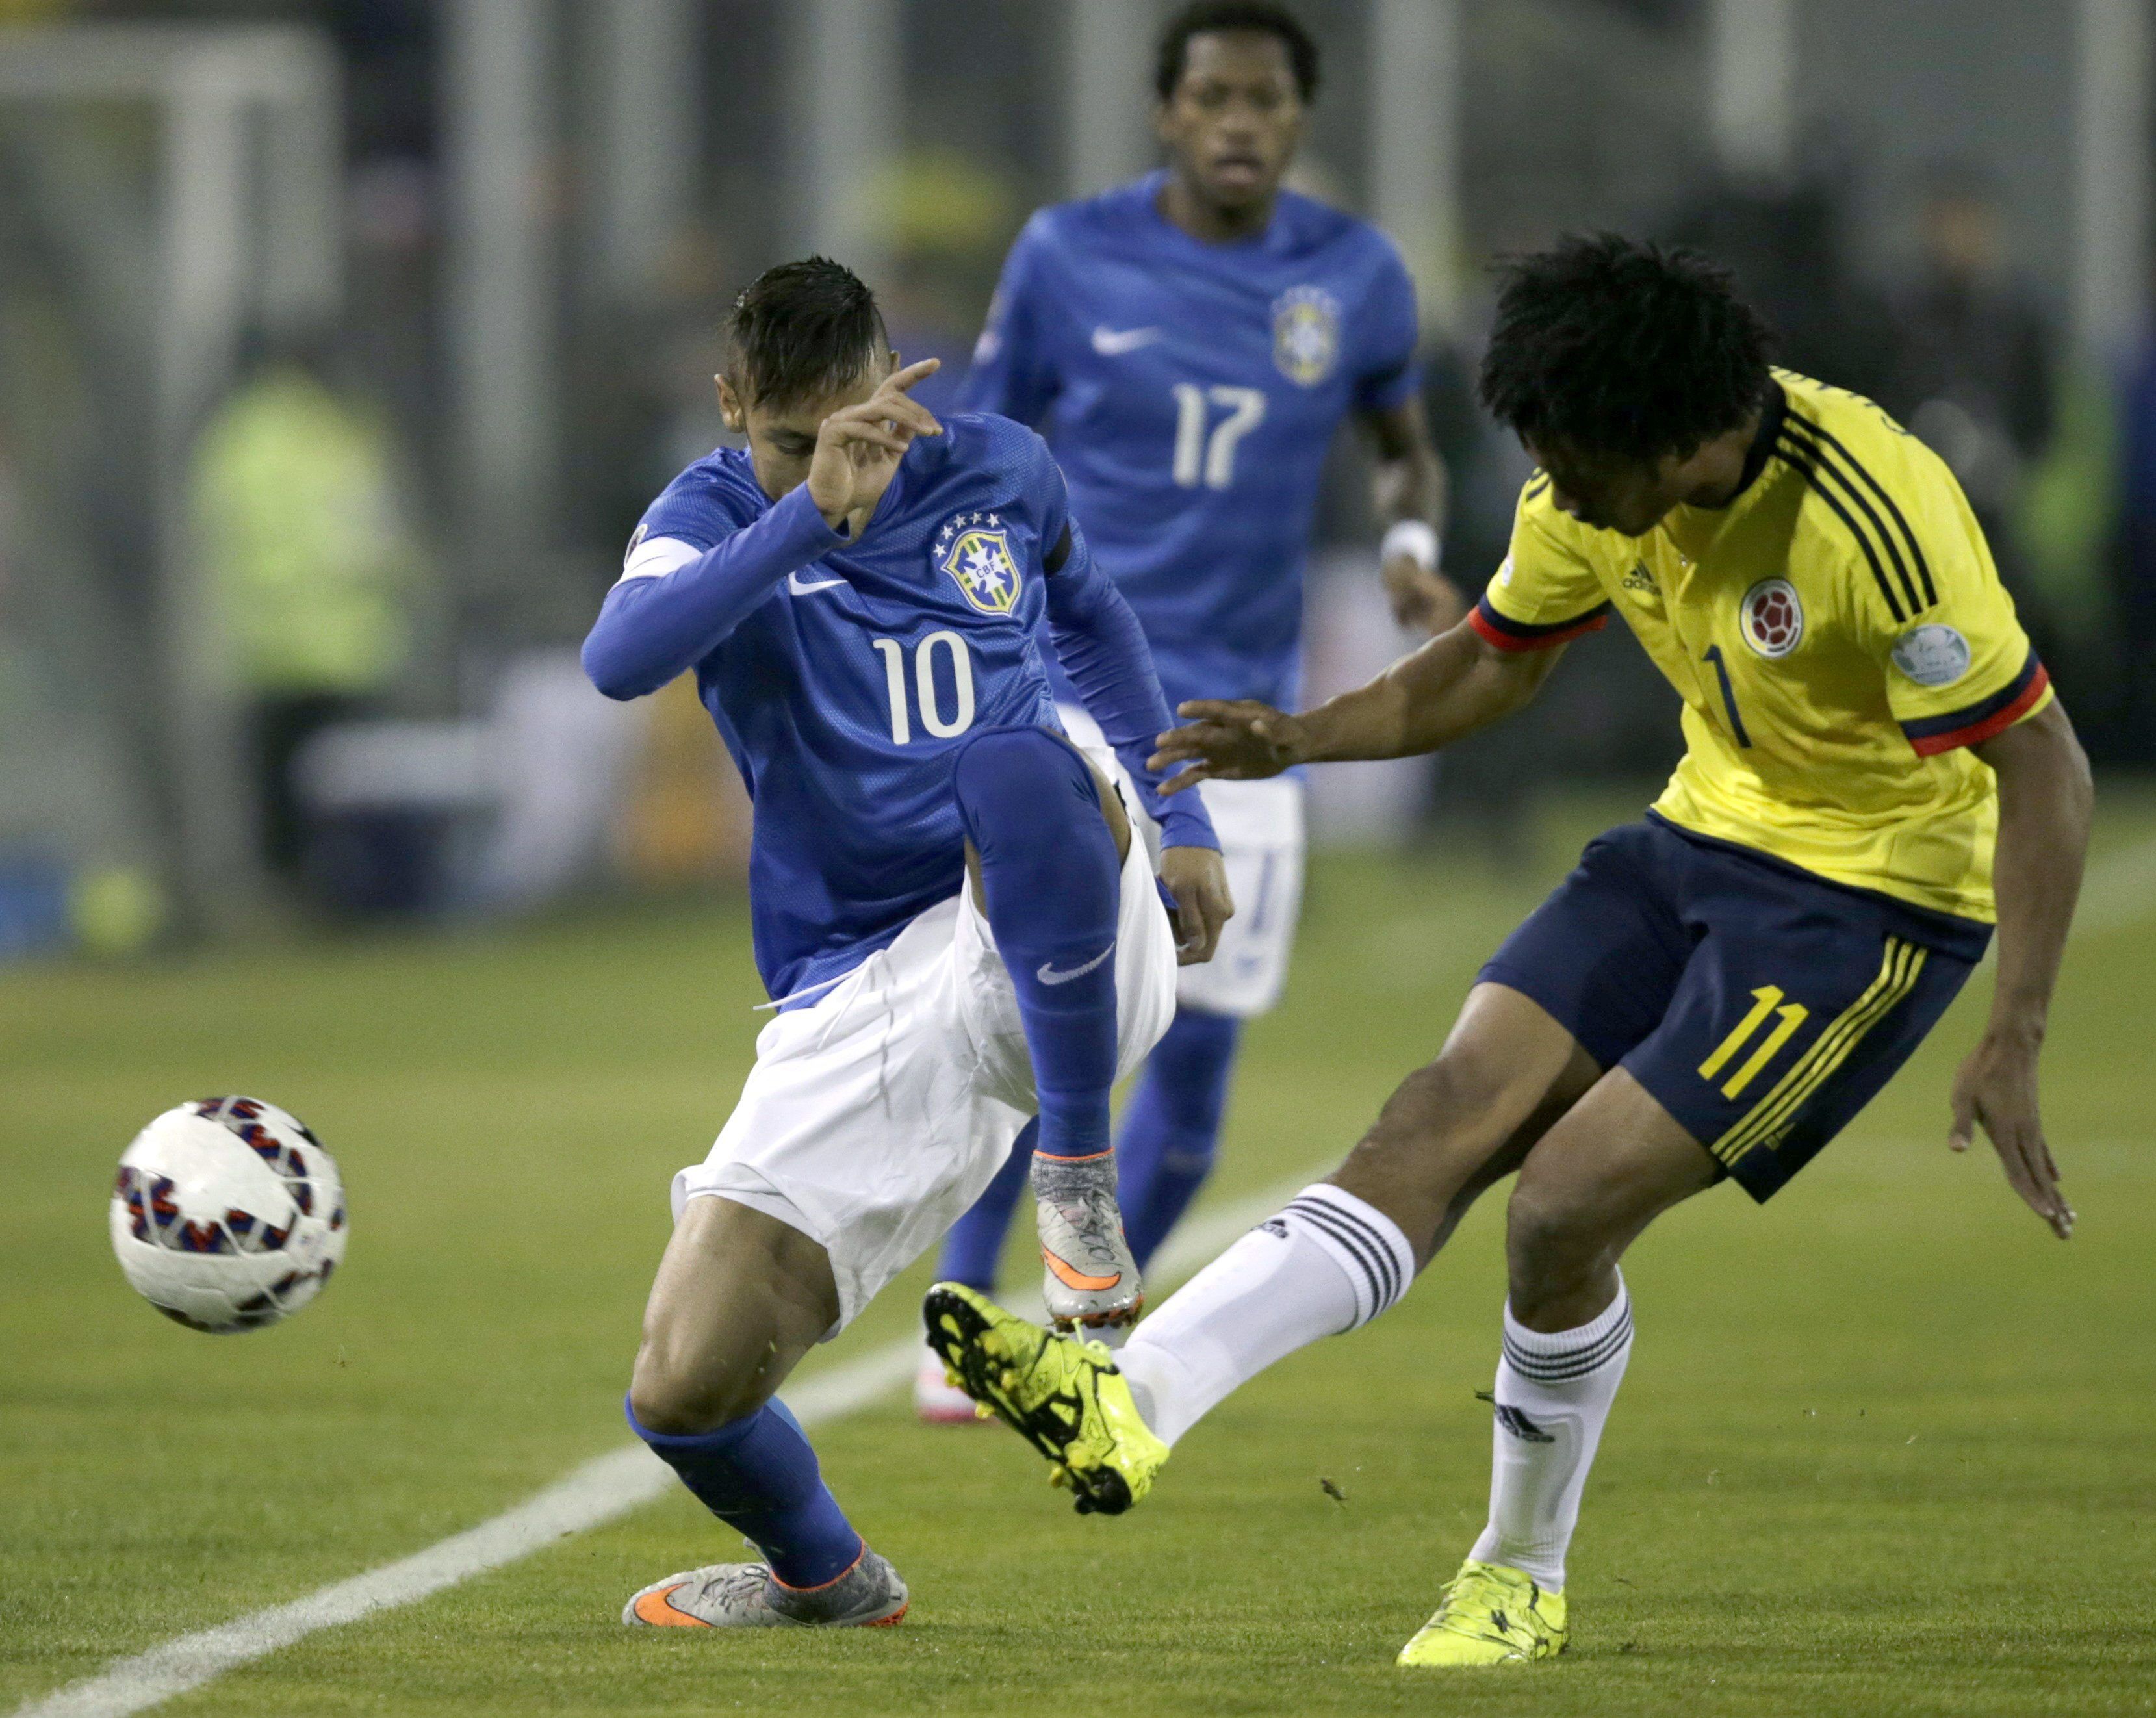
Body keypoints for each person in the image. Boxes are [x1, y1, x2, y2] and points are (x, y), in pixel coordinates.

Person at [924, 235, 2092, 1666]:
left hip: (1866, 902)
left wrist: (2015, 1030)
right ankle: (1135, 1395)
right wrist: (1303, 734)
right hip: (1697, 832)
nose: (1548, 480)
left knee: (1560, 1210)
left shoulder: (1875, 516)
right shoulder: (1598, 471)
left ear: (1674, 438)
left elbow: (2041, 763)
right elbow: (1494, 654)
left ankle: (1516, 1571)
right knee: (1435, 1114)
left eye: (1568, 453)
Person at [582, 259, 1229, 1628]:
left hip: (1058, 891)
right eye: (789, 443)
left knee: (1010, 760)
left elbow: (1092, 614)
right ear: (730, 407)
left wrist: (1180, 817)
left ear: (899, 381)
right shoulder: (707, 513)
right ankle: (829, 1577)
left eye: (857, 430)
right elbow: (621, 657)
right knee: (683, 1385)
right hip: (864, 978)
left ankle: (1074, 1181)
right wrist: (806, 519)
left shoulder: (1000, 469)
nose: (839, 465)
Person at [918, 0, 1459, 1420]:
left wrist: (1407, 551)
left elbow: (1406, 450)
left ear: (1298, 118)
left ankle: (1084, 1334)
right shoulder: (1066, 255)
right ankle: (958, 1316)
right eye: (1211, 96)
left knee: (1197, 1075)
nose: (1237, 122)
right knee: (1041, 1012)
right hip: (1071, 692)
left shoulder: (1352, 276)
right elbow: (980, 443)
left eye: (1264, 101)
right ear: (1167, 112)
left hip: (1241, 725)